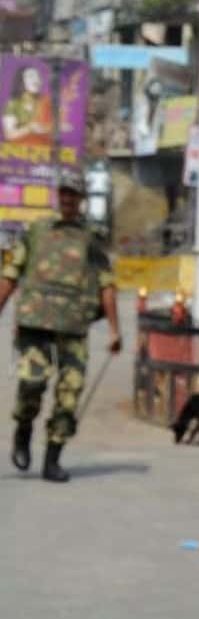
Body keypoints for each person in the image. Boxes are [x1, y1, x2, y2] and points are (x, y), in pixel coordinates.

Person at [1, 173, 120, 483]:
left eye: (74, 195)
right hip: (34, 326)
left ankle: (53, 458)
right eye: (64, 194)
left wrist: (115, 331)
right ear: (59, 196)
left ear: (81, 200)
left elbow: (107, 285)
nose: (68, 200)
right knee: (31, 386)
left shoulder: (91, 239)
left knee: (70, 395)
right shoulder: (37, 232)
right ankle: (23, 431)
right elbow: (10, 274)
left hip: (73, 329)